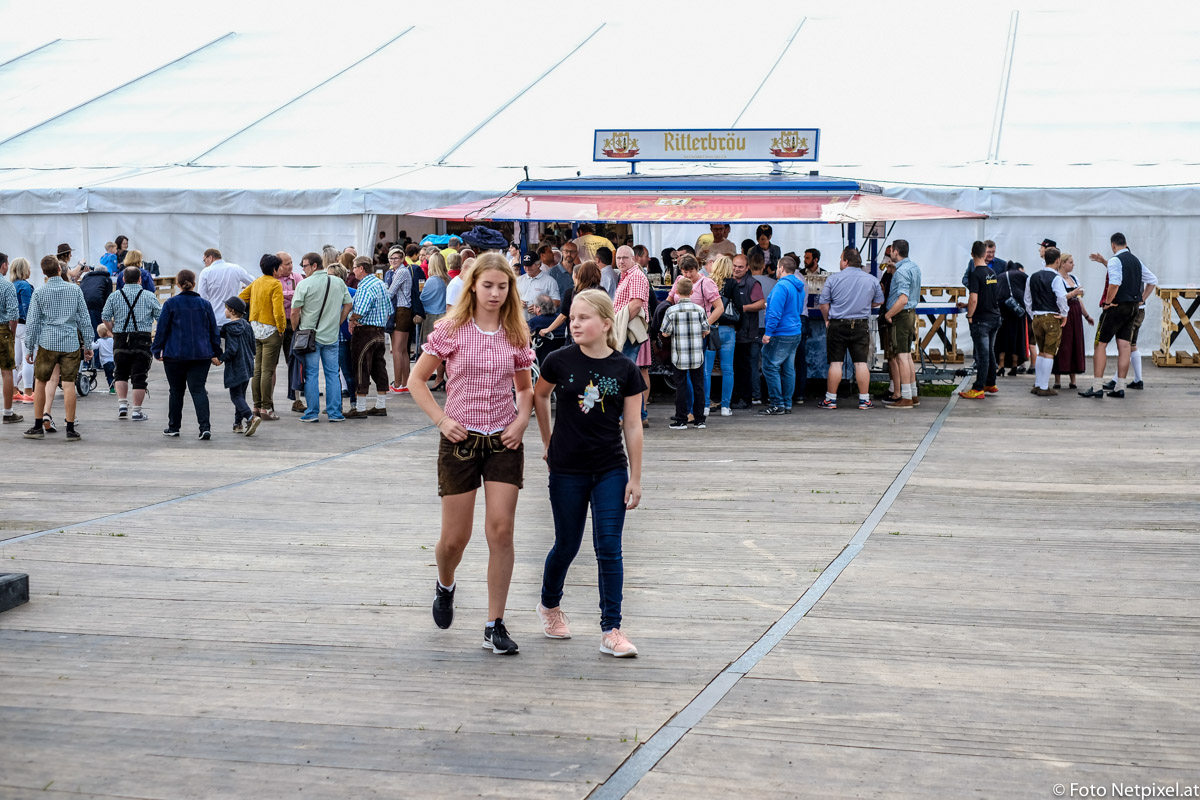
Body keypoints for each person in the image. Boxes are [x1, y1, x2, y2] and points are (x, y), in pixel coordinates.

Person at [409, 252, 535, 656]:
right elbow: (416, 380)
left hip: (503, 441)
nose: (495, 293)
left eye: (502, 286)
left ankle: (494, 624)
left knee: (501, 531)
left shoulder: (515, 332)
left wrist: (522, 420)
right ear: (473, 287)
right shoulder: (452, 329)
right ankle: (445, 584)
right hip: (460, 441)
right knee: (454, 540)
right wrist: (441, 420)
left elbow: (525, 388)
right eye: (488, 285)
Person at [532, 289, 644, 656]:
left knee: (609, 547)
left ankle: (611, 629)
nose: (575, 324)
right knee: (567, 544)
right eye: (573, 318)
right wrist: (547, 440)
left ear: (606, 324)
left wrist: (635, 477)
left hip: (610, 468)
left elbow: (633, 425)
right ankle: (549, 605)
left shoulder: (625, 369)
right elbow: (540, 396)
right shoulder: (558, 360)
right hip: (566, 467)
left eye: (584, 318)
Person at [22, 256, 92, 441]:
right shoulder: (75, 290)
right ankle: (70, 429)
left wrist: (29, 348)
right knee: (69, 385)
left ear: (43, 272)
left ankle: (38, 425)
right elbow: (84, 320)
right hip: (70, 343)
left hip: (47, 343)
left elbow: (33, 323)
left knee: (41, 382)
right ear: (60, 270)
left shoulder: (39, 292)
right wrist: (88, 345)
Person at [1082, 233, 1158, 398]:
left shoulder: (1115, 260)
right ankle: (1119, 387)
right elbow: (1153, 280)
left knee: (1100, 344)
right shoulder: (1136, 261)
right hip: (1133, 307)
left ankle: (1097, 387)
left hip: (1117, 306)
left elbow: (1115, 283)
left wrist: (1108, 302)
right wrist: (1142, 299)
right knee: (1124, 346)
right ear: (1125, 243)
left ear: (1113, 245)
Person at [151, 269, 221, 439]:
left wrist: (157, 349)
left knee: (176, 391)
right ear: (194, 284)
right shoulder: (205, 304)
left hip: (175, 354)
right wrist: (216, 351)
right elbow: (213, 331)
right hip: (201, 354)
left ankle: (174, 427)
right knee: (198, 389)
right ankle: (205, 427)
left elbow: (162, 329)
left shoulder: (170, 304)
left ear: (178, 285)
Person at [818, 247, 884, 410]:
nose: (840, 262)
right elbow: (879, 301)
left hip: (838, 324)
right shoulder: (871, 279)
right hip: (861, 325)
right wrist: (864, 304)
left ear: (846, 261)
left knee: (836, 363)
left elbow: (823, 303)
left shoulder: (833, 279)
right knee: (861, 363)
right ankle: (864, 400)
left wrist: (827, 320)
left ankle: (830, 399)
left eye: (841, 259)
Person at [292, 252, 353, 422]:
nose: (303, 269)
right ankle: (335, 413)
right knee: (332, 374)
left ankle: (312, 413)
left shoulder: (304, 284)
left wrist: (296, 329)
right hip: (331, 335)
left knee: (311, 374)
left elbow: (295, 311)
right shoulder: (338, 282)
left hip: (309, 336)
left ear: (314, 266)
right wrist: (338, 322)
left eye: (304, 266)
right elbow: (348, 305)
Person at [101, 265, 161, 421]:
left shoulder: (114, 296)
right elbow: (160, 317)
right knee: (139, 376)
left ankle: (122, 405)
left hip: (121, 338)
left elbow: (105, 316)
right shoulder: (149, 296)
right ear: (140, 279)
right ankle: (136, 411)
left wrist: (113, 330)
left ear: (123, 279)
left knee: (120, 372)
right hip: (142, 338)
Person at [238, 254, 286, 420]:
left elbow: (240, 298)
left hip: (255, 328)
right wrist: (281, 327)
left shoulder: (257, 282)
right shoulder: (275, 284)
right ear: (274, 269)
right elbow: (278, 310)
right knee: (267, 370)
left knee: (257, 370)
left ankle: (256, 406)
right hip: (271, 330)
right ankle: (267, 408)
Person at [757, 256, 806, 416]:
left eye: (778, 267)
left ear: (782, 268)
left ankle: (777, 404)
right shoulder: (798, 286)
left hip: (780, 332)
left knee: (770, 366)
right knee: (788, 369)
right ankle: (786, 403)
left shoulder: (781, 286)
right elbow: (797, 308)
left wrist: (768, 333)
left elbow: (775, 313)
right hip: (795, 331)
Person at [345, 255, 392, 419]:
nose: (353, 271)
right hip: (379, 330)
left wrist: (351, 319)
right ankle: (381, 404)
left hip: (365, 331)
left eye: (354, 267)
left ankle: (360, 408)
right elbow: (389, 310)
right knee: (379, 367)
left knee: (361, 367)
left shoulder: (364, 286)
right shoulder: (380, 283)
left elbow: (360, 310)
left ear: (361, 268)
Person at [661, 277, 711, 430]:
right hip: (696, 355)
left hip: (679, 355)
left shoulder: (671, 311)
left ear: (676, 292)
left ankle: (681, 419)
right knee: (699, 386)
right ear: (692, 292)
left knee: (681, 387)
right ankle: (700, 419)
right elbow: (706, 330)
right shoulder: (699, 310)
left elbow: (665, 333)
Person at [612, 245, 652, 425]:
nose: (621, 261)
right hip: (626, 329)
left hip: (629, 331)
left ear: (633, 258)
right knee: (630, 373)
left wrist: (619, 325)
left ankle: (628, 416)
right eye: (618, 258)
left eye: (625, 258)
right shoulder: (626, 275)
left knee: (625, 373)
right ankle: (640, 415)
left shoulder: (635, 276)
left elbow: (636, 305)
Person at [959, 241, 1003, 400]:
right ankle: (990, 383)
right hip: (994, 317)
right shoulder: (992, 272)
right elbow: (988, 296)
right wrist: (968, 305)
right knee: (989, 352)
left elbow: (974, 298)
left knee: (982, 355)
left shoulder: (975, 274)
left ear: (972, 255)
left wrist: (969, 315)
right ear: (985, 254)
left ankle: (978, 388)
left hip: (981, 320)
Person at [880, 240, 922, 408]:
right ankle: (912, 393)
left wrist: (888, 314)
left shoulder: (901, 271)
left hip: (900, 315)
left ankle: (905, 397)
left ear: (896, 252)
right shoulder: (914, 267)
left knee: (901, 356)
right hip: (910, 313)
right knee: (907, 356)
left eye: (891, 251)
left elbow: (903, 299)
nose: (890, 254)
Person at [1023, 247, 1069, 397]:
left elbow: (1027, 299)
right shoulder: (1056, 278)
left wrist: (1033, 314)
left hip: (1036, 317)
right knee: (1049, 352)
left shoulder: (1032, 277)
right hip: (1051, 317)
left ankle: (1038, 384)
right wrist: (1064, 313)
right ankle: (1043, 386)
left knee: (1041, 351)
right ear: (1058, 261)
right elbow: (1061, 297)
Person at [215, 296, 259, 436]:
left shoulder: (229, 328)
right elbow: (253, 347)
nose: (224, 310)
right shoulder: (247, 325)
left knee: (235, 396)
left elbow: (232, 349)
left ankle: (251, 418)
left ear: (232, 311)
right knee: (241, 395)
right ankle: (237, 424)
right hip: (247, 364)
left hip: (235, 366)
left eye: (226, 308)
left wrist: (221, 359)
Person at [704, 255, 742, 416]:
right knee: (727, 369)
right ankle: (725, 407)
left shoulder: (706, 282)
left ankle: (705, 406)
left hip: (710, 328)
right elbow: (739, 308)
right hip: (727, 330)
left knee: (706, 370)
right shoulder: (732, 283)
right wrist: (737, 327)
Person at [1051, 253, 1092, 390]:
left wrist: (1086, 315)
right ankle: (1057, 379)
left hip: (1075, 313)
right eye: (1070, 262)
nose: (1073, 264)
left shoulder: (1074, 278)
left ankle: (1073, 380)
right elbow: (1059, 298)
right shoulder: (1057, 279)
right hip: (1064, 312)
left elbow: (1079, 300)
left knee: (1075, 343)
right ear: (1062, 263)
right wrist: (1073, 294)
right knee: (1062, 343)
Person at [539, 261, 602, 341]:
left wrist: (548, 329)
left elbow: (563, 315)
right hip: (596, 333)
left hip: (577, 334)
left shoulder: (572, 293)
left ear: (575, 275)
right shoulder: (600, 291)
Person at [276, 251, 306, 413]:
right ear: (278, 265)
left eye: (291, 262)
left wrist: (283, 295)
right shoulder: (273, 279)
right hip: (277, 325)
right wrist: (292, 294)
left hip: (294, 323)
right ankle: (267, 402)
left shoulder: (297, 277)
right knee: (271, 365)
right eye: (286, 264)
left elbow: (302, 295)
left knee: (294, 362)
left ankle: (297, 399)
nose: (290, 266)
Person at [384, 245, 415, 394]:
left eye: (396, 258)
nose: (393, 260)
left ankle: (397, 383)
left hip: (401, 311)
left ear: (402, 259)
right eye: (391, 258)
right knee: (402, 350)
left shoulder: (401, 271)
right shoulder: (400, 271)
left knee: (397, 350)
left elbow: (390, 293)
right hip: (404, 310)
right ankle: (405, 383)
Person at [197, 248, 254, 327]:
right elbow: (254, 283)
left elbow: (202, 298)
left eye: (204, 260)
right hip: (233, 318)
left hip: (215, 318)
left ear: (210, 258)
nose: (205, 264)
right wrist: (245, 288)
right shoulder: (236, 268)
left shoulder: (205, 272)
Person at [419, 250, 450, 390]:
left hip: (433, 316)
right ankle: (441, 377)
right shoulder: (448, 279)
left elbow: (423, 299)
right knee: (443, 350)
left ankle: (438, 378)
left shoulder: (432, 280)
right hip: (445, 315)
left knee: (433, 350)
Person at [995, 261, 1030, 376]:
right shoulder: (1021, 275)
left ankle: (1001, 365)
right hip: (1017, 311)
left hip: (1003, 310)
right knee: (1017, 338)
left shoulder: (1000, 276)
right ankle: (1015, 365)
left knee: (1002, 338)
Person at [8, 257, 36, 403]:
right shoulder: (25, 286)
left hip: (13, 325)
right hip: (25, 325)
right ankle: (28, 392)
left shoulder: (10, 285)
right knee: (28, 359)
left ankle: (14, 391)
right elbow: (28, 307)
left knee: (15, 360)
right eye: (28, 268)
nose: (30, 270)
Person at [0, 255, 21, 424]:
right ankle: (8, 412)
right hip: (3, 330)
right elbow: (14, 315)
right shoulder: (7, 286)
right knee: (6, 371)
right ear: (3, 265)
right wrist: (12, 334)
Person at [516, 251, 561, 319]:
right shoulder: (518, 280)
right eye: (525, 265)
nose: (527, 268)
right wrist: (517, 302)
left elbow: (557, 302)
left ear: (538, 264)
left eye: (530, 265)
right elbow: (510, 298)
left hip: (541, 321)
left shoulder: (550, 281)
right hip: (521, 321)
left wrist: (540, 308)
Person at [79, 262, 113, 336]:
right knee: (97, 329)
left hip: (81, 303)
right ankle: (97, 342)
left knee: (86, 329)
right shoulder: (107, 279)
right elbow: (108, 297)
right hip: (95, 304)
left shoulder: (86, 277)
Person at [91, 323, 115, 391]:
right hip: (114, 360)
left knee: (109, 376)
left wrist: (90, 341)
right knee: (116, 374)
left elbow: (94, 346)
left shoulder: (99, 341)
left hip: (105, 362)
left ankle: (112, 389)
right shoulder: (112, 340)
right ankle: (117, 384)